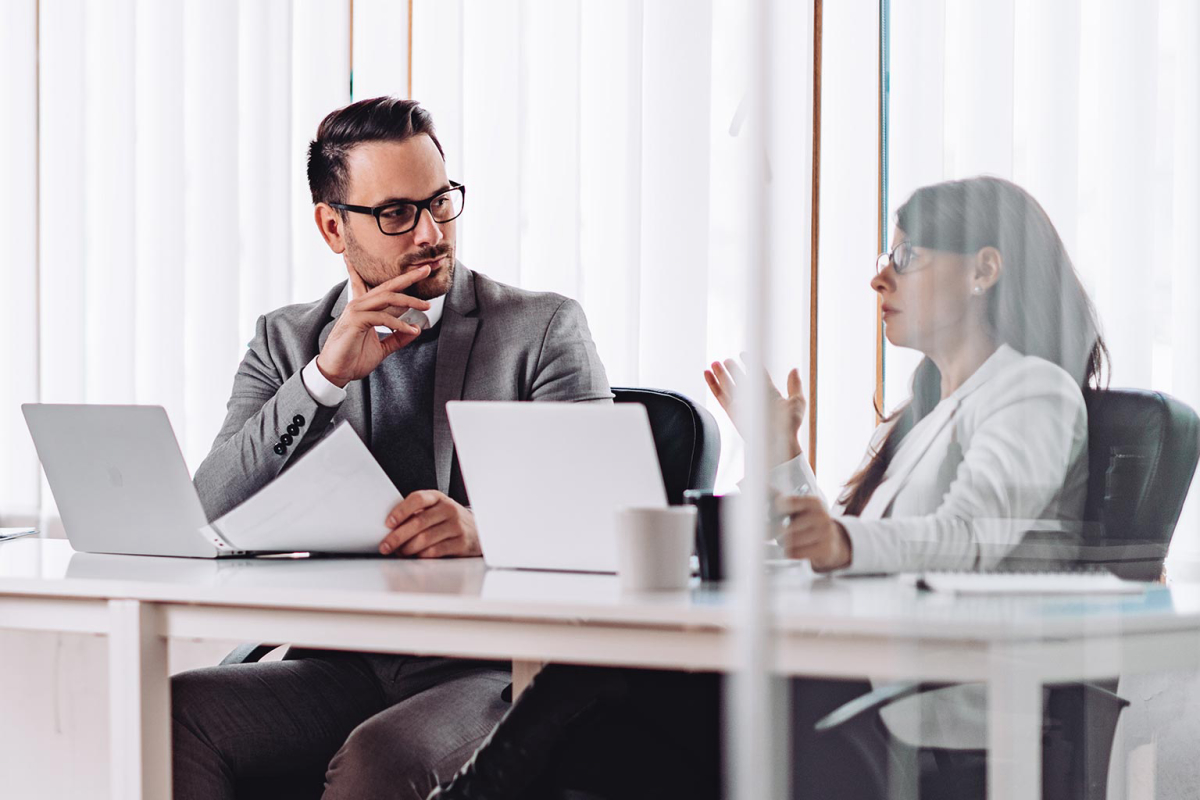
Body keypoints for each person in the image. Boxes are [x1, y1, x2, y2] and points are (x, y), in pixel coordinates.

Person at [428, 176, 1108, 799]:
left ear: (984, 270)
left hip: (920, 708)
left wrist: (839, 538)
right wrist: (782, 455)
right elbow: (855, 546)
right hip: (851, 689)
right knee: (606, 743)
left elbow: (970, 538)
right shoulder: (923, 413)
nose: (878, 278)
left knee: (601, 684)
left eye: (906, 259)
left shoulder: (1034, 392)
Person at [171, 96, 613, 800]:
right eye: (398, 214)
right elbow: (211, 510)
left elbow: (610, 517)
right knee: (179, 711)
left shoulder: (541, 329)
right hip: (344, 662)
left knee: (382, 758)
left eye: (441, 202)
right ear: (331, 226)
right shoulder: (285, 342)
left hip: (492, 666)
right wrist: (322, 380)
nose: (432, 233)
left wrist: (481, 529)